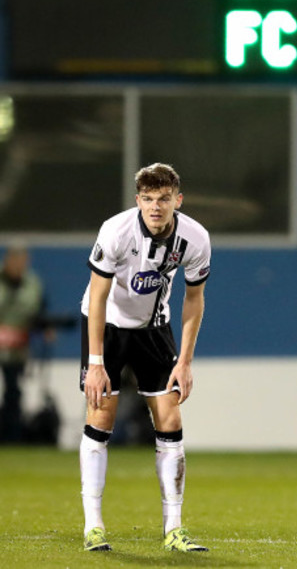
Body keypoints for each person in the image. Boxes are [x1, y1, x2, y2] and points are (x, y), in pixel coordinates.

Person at [79, 163, 211, 553]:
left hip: (154, 328)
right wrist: (97, 363)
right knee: (101, 415)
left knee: (170, 418)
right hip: (108, 327)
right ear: (138, 201)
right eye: (149, 199)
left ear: (178, 201)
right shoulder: (116, 231)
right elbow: (98, 296)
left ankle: (174, 529)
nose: (156, 207)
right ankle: (94, 526)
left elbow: (194, 299)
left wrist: (184, 361)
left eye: (164, 199)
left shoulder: (195, 238)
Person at [0, 243, 47, 442]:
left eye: (23, 260)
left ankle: (12, 438)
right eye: (16, 259)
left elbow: (39, 312)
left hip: (18, 348)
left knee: (14, 391)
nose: (19, 264)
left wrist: (44, 328)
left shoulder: (33, 283)